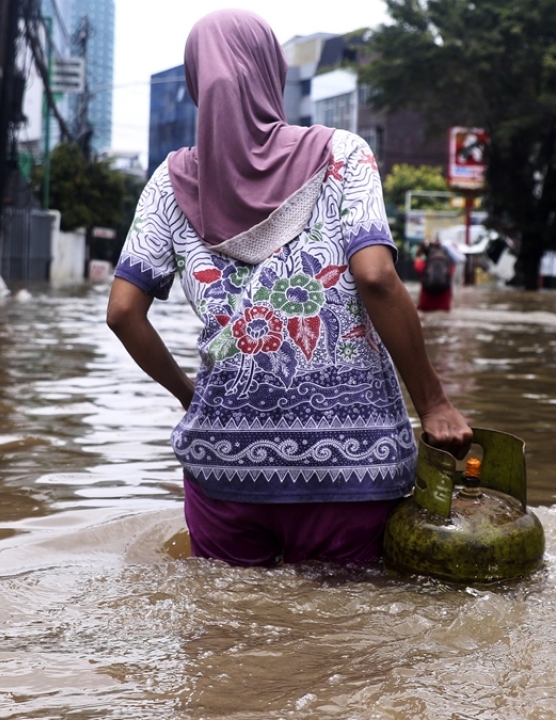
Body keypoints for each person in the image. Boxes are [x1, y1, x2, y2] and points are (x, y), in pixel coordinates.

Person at [105, 9, 471, 568]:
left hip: (225, 464)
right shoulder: (341, 154)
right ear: (270, 72)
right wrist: (434, 403)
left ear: (195, 80)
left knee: (227, 638)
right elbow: (376, 276)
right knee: (344, 641)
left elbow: (123, 313)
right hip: (350, 465)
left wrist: (192, 399)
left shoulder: (168, 182)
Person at [416, 237, 461, 312]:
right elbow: (457, 259)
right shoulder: (450, 267)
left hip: (425, 307)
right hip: (444, 308)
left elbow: (417, 260)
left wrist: (422, 247)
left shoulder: (422, 265)